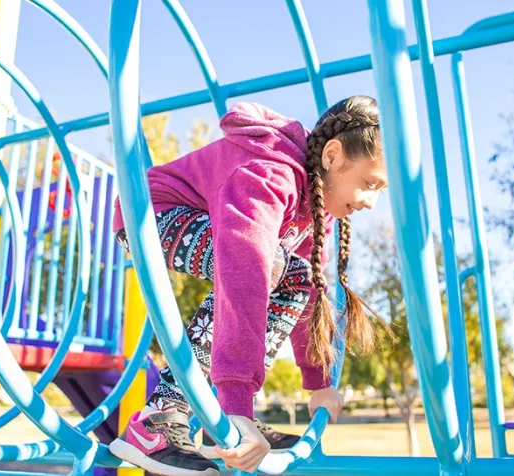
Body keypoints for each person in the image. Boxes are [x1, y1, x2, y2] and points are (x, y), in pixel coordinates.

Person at [108, 96, 388, 475]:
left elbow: (307, 292)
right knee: (267, 262)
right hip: (148, 214)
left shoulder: (314, 207)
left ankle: (217, 416)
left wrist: (318, 382)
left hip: (201, 223)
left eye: (379, 190)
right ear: (333, 156)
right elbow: (244, 278)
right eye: (368, 183)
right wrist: (237, 403)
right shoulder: (269, 173)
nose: (371, 202)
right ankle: (158, 417)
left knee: (297, 273)